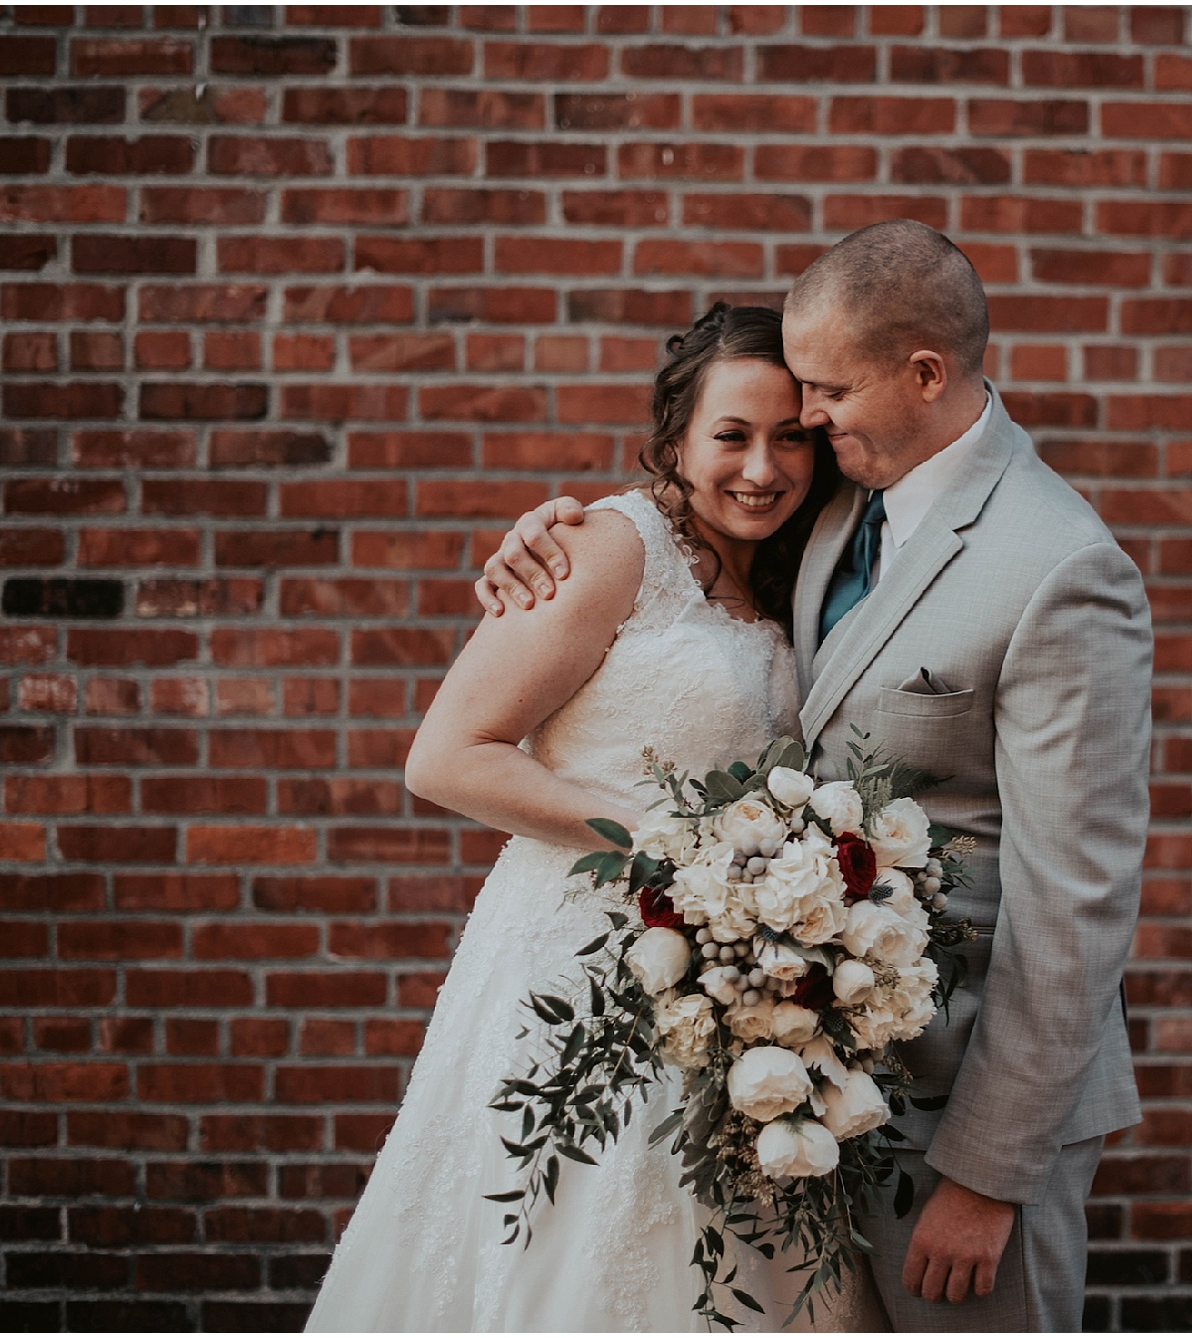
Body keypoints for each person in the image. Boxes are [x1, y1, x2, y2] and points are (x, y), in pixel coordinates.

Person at [478, 219, 1153, 1331]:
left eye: (828, 393)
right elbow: (697, 528)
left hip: (965, 1108)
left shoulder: (1061, 568)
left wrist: (987, 1176)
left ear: (924, 374)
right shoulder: (837, 498)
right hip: (814, 1078)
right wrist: (546, 539)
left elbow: (1075, 903)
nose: (808, 421)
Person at [305, 303, 886, 1331]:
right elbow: (447, 756)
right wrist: (668, 850)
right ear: (675, 441)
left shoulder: (800, 565)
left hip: (731, 979)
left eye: (790, 437)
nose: (762, 468)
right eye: (730, 435)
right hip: (579, 960)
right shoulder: (609, 548)